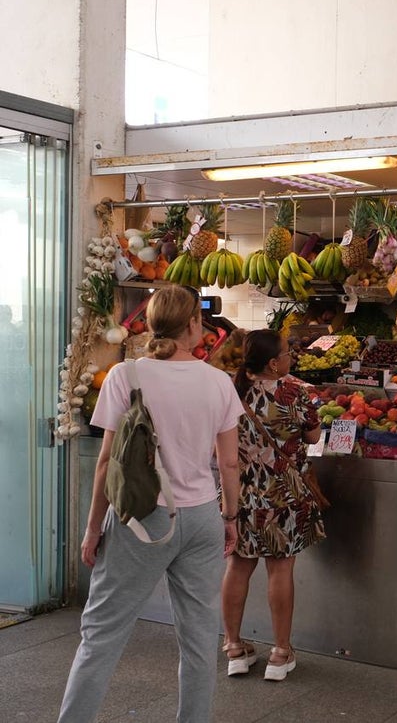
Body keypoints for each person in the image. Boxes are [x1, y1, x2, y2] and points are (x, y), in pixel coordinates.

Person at [59, 286, 244, 723]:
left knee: (101, 635)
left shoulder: (126, 376)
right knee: (199, 640)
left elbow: (107, 462)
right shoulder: (219, 381)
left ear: (150, 324)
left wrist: (93, 528)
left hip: (140, 518)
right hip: (201, 517)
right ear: (194, 325)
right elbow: (230, 462)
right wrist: (230, 517)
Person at [221, 329, 325, 681]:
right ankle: (280, 653)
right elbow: (313, 436)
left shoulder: (231, 391)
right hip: (284, 495)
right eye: (286, 352)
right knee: (280, 570)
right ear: (273, 362)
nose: (291, 356)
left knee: (238, 568)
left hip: (243, 494)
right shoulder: (294, 393)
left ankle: (234, 647)